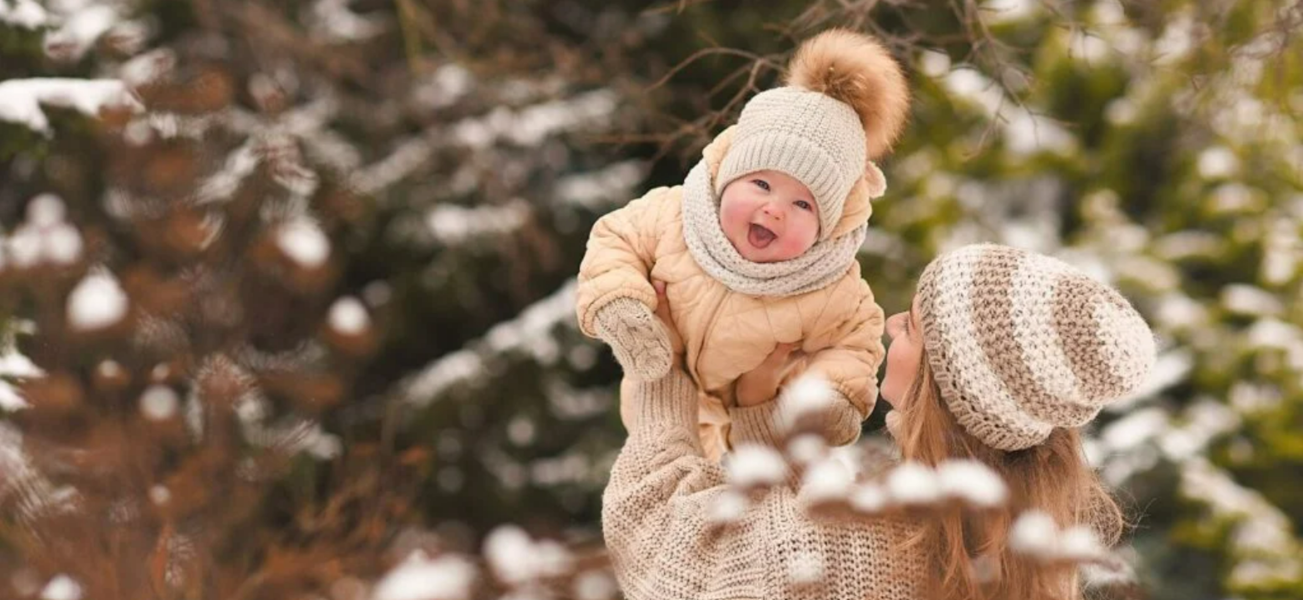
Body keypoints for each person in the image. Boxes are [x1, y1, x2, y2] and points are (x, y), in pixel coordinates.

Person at [602, 243, 1156, 600]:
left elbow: (652, 541)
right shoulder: (1026, 565)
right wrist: (763, 417)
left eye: (912, 327)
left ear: (944, 384)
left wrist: (663, 366)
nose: (891, 326)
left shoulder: (864, 542)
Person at [575, 29, 911, 460]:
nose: (775, 209)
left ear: (826, 228)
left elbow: (855, 343)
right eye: (761, 183)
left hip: (757, 437)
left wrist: (828, 398)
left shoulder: (830, 287)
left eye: (803, 204)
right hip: (653, 408)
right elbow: (614, 239)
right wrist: (622, 305)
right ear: (728, 175)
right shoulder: (673, 216)